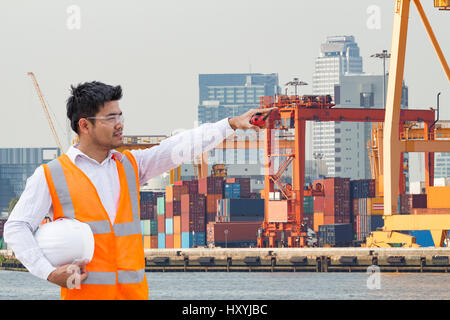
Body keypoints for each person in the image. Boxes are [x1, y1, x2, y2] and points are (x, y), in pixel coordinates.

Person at [4, 81, 274, 300]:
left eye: (120, 115)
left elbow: (177, 147)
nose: (120, 123)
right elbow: (16, 228)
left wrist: (230, 124)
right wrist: (49, 273)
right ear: (84, 125)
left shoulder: (130, 166)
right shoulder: (51, 175)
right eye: (110, 118)